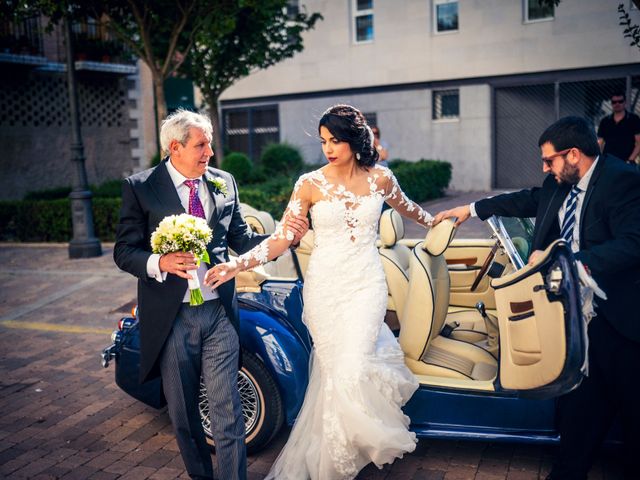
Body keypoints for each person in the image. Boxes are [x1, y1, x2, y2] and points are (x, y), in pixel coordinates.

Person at [204, 104, 433, 479]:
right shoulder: (308, 184)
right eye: (324, 140)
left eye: (336, 140)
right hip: (325, 288)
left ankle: (351, 450)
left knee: (355, 365)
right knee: (332, 372)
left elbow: (410, 209)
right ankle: (334, 460)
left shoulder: (381, 179)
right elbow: (281, 239)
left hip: (366, 284)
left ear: (355, 140)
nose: (328, 148)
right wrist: (237, 263)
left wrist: (439, 219)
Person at [432, 116, 640, 480]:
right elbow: (529, 199)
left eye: (549, 160)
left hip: (621, 320)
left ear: (573, 155)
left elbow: (633, 243)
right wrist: (473, 209)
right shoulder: (559, 184)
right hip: (572, 319)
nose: (544, 168)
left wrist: (565, 264)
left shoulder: (623, 181)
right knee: (579, 412)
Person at [113, 110, 308, 480]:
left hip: (219, 312)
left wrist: (286, 238)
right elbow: (124, 251)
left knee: (227, 408)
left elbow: (242, 241)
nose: (210, 152)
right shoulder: (140, 187)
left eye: (210, 143)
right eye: (201, 144)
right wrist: (161, 261)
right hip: (172, 319)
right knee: (185, 415)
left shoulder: (223, 182)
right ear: (175, 147)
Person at [597, 91, 640, 165]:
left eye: (620, 101)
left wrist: (630, 160)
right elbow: (600, 142)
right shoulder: (605, 121)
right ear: (611, 103)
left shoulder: (634, 119)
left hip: (626, 163)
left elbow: (639, 142)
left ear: (625, 102)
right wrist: (600, 159)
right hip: (608, 162)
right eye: (614, 102)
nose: (617, 104)